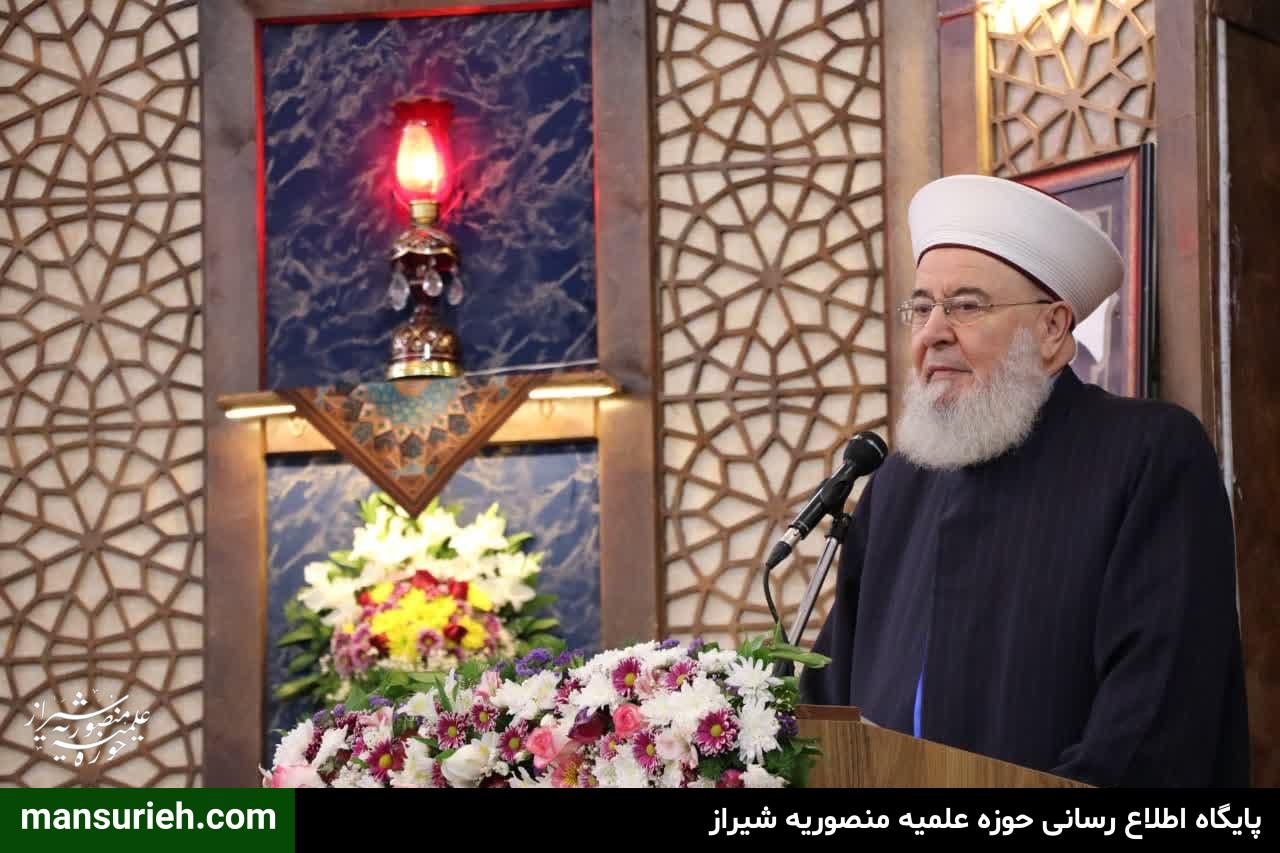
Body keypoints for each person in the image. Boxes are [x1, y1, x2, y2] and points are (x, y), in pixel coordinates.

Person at [799, 174, 1251, 787]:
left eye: (966, 306)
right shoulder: (900, 482)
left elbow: (1156, 718)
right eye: (922, 308)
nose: (933, 332)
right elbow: (832, 697)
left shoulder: (1148, 454)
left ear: (1053, 328)